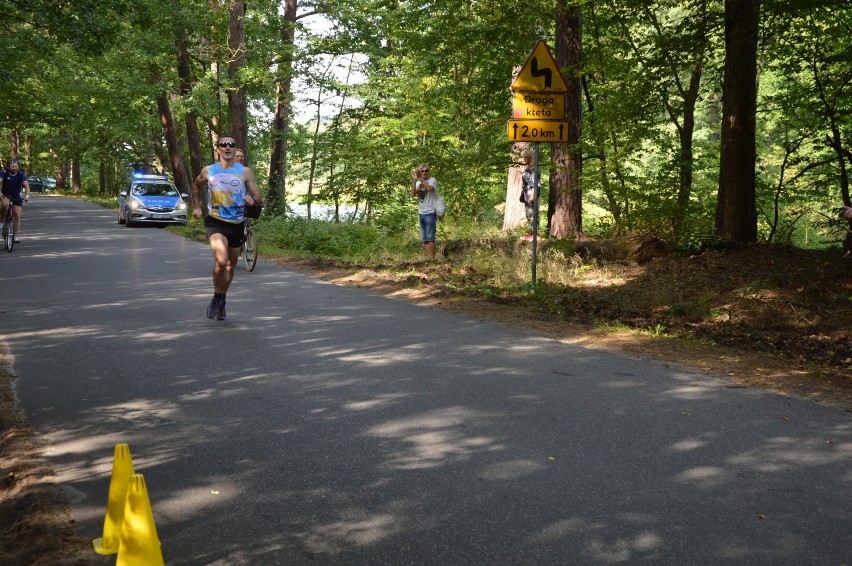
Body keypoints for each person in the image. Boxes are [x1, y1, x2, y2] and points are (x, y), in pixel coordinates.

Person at [191, 135, 263, 320]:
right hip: (215, 222)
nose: (228, 147)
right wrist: (197, 206)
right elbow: (196, 186)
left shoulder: (245, 172)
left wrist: (251, 200)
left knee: (230, 266)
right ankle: (216, 298)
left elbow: (258, 198)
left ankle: (221, 299)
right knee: (221, 262)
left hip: (237, 224)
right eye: (223, 145)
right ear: (218, 149)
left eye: (231, 144)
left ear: (235, 148)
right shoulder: (209, 170)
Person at [410, 163, 439, 260]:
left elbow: (429, 189)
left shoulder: (432, 180)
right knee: (425, 239)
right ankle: (429, 258)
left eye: (426, 171)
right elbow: (412, 194)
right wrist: (415, 180)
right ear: (419, 172)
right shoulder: (418, 182)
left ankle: (432, 258)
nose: (424, 172)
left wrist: (421, 180)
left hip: (431, 212)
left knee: (431, 237)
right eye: (422, 171)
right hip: (421, 212)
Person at [0, 159, 31, 243]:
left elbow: (26, 186)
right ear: (8, 167)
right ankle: (2, 222)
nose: (15, 168)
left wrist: (27, 196)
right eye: (13, 166)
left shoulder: (21, 174)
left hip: (17, 196)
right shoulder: (4, 173)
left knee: (16, 214)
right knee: (5, 205)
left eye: (16, 166)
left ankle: (15, 236)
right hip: (5, 195)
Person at [519, 149, 540, 241]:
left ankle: (535, 235)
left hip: (532, 193)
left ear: (530, 158)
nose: (524, 159)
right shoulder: (527, 168)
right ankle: (531, 234)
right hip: (526, 193)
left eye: (525, 157)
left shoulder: (534, 169)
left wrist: (532, 195)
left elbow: (536, 184)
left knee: (533, 213)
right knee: (529, 214)